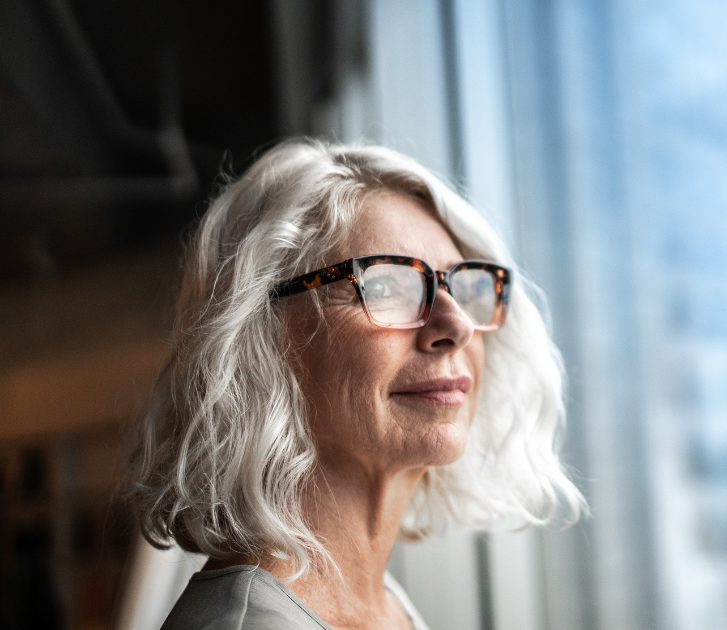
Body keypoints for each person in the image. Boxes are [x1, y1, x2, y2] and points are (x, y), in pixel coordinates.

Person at [126, 140, 584, 629]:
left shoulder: (382, 605)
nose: (457, 326)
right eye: (385, 287)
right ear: (262, 335)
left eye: (460, 285)